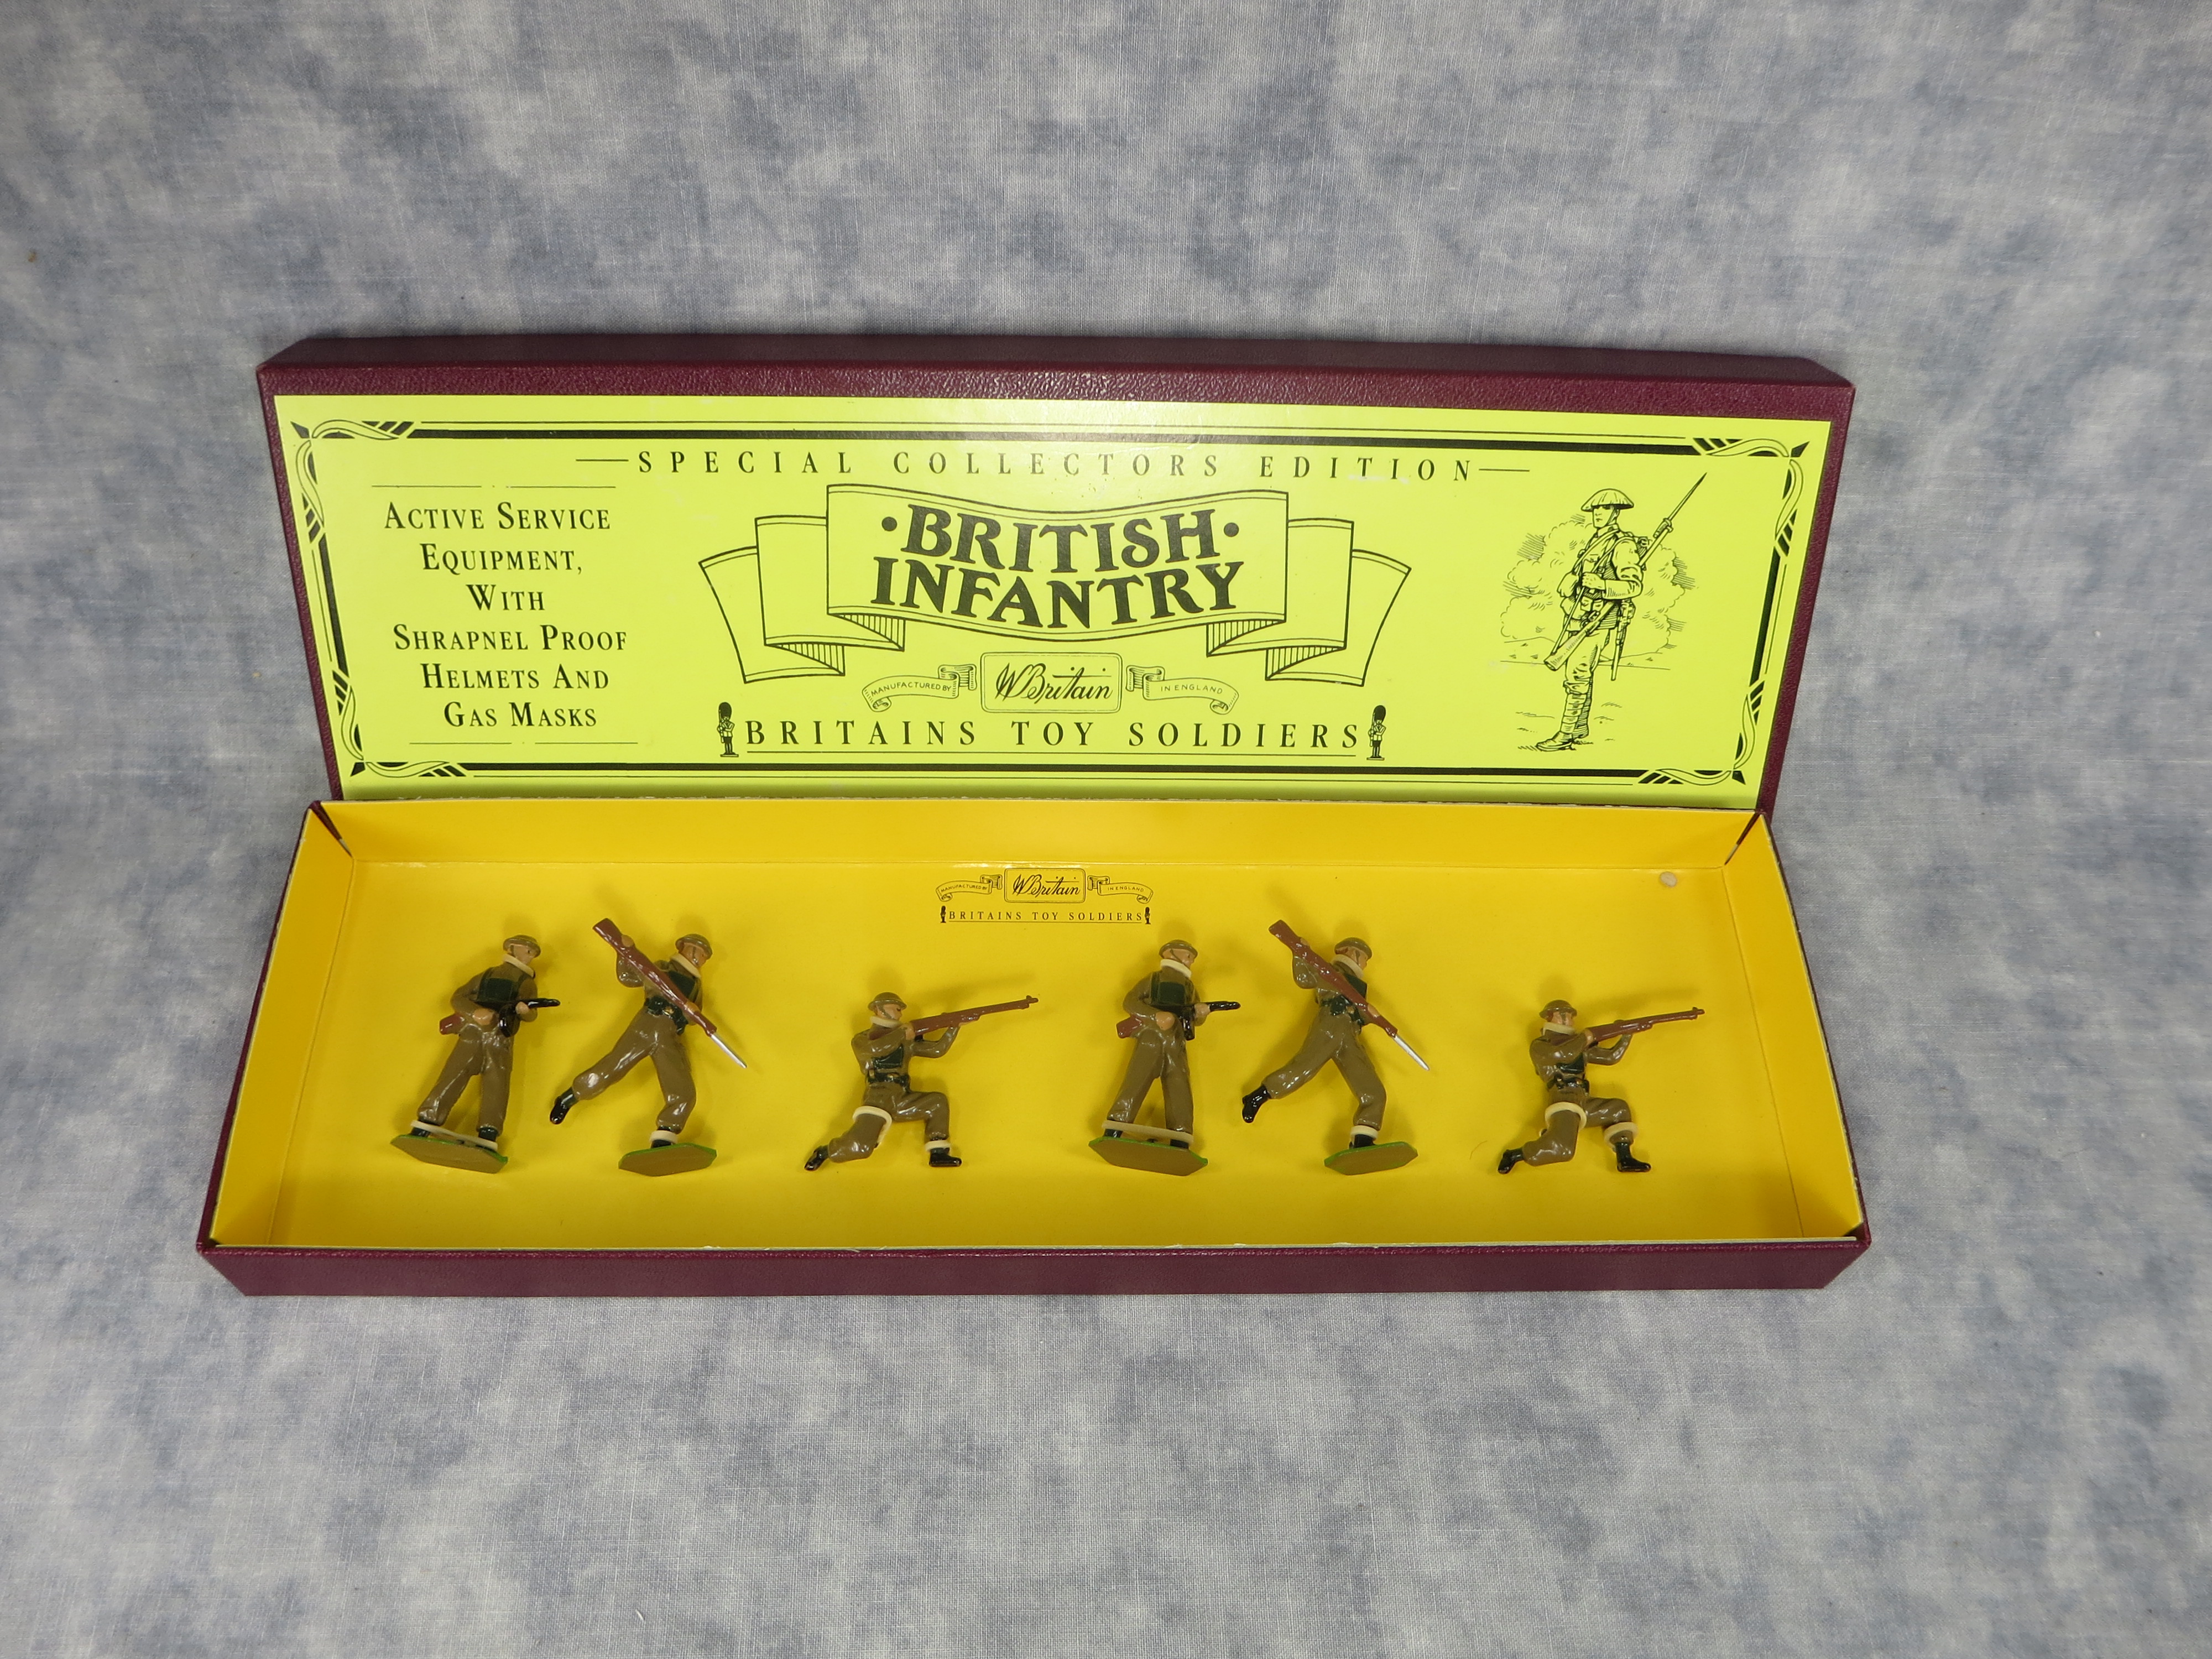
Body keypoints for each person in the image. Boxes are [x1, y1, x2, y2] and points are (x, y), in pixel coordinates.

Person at [551, 933, 712, 1149]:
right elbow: (631, 977)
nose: (699, 957)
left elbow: (695, 1017)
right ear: (684, 948)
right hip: (647, 1025)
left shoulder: (695, 985)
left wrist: (692, 1012)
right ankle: (570, 1097)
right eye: (697, 951)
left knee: (683, 1089)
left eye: (703, 955)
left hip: (670, 1034)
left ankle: (666, 1135)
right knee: (611, 1068)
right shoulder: (663, 968)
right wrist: (625, 951)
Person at [1241, 936, 1391, 1152]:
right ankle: (1259, 1096)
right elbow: (1305, 979)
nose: (1365, 963)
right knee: (1304, 1068)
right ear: (1349, 951)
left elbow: (1358, 1012)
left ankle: (1363, 1139)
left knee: (1372, 1089)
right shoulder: (1331, 972)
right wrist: (1299, 953)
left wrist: (1371, 1015)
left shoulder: (1357, 984)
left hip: (1350, 1033)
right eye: (1363, 957)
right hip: (1330, 1025)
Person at [404, 935, 544, 1160]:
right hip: (473, 1033)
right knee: (454, 1073)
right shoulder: (487, 975)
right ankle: (427, 1120)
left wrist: (524, 1011)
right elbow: (458, 998)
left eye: (533, 953)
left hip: (500, 1038)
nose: (530, 956)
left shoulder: (527, 984)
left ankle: (489, 1132)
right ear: (513, 948)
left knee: (497, 1084)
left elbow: (531, 1014)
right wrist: (475, 1012)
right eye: (528, 951)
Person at [1533, 489, 1647, 752]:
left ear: (1616, 512)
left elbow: (1633, 586)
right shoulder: (1595, 542)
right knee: (1581, 673)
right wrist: (1571, 581)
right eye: (1596, 509)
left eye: (1605, 509)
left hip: (1598, 620)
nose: (1598, 514)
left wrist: (1602, 584)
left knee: (1578, 675)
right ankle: (1580, 728)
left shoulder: (1622, 545)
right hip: (1578, 616)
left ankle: (1565, 734)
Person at [807, 993, 962, 1169]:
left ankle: (938, 1152)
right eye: (897, 1008)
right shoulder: (863, 1039)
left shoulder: (905, 1039)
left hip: (901, 1096)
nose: (901, 1013)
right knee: (862, 1147)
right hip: (879, 1097)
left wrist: (954, 1026)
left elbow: (936, 1050)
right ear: (879, 1009)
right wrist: (903, 1032)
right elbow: (877, 1049)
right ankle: (825, 1152)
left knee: (937, 1102)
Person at [1498, 999, 1651, 1173]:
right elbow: (1562, 1054)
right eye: (1565, 1015)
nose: (1570, 1020)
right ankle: (1516, 1154)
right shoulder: (1542, 1044)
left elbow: (1610, 1057)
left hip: (1584, 1100)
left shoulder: (1578, 1043)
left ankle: (1625, 1158)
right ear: (1552, 1017)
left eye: (1571, 1016)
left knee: (1618, 1109)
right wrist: (1587, 1037)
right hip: (1564, 1099)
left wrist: (1627, 1034)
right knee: (1563, 1150)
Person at [1102, 940, 1214, 1156]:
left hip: (1176, 1042)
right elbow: (1130, 1002)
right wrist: (1155, 1016)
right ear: (1170, 954)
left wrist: (1200, 1014)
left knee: (1179, 1088)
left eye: (1192, 957)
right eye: (1187, 955)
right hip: (1152, 1039)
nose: (1191, 960)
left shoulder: (1190, 987)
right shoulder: (1154, 979)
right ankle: (1116, 1126)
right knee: (1137, 1081)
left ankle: (1181, 1137)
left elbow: (1193, 1017)